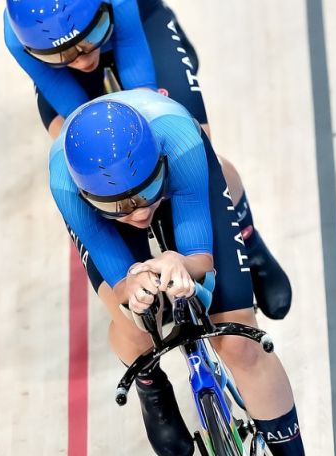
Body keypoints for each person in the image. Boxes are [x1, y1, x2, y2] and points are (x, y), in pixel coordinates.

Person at [5, 0, 292, 319]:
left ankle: (249, 241)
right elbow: (79, 123)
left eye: (90, 44)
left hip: (135, 32)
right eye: (65, 53)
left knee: (199, 151)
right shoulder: (17, 39)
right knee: (81, 152)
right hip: (67, 83)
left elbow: (143, 94)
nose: (86, 60)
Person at [50, 92, 305, 456]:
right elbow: (119, 287)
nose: (138, 215)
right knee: (134, 324)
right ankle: (150, 383)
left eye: (145, 192)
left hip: (180, 184)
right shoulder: (65, 183)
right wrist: (134, 285)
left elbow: (200, 257)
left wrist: (178, 261)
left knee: (241, 345)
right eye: (120, 206)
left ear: (160, 162)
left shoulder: (179, 139)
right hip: (115, 205)